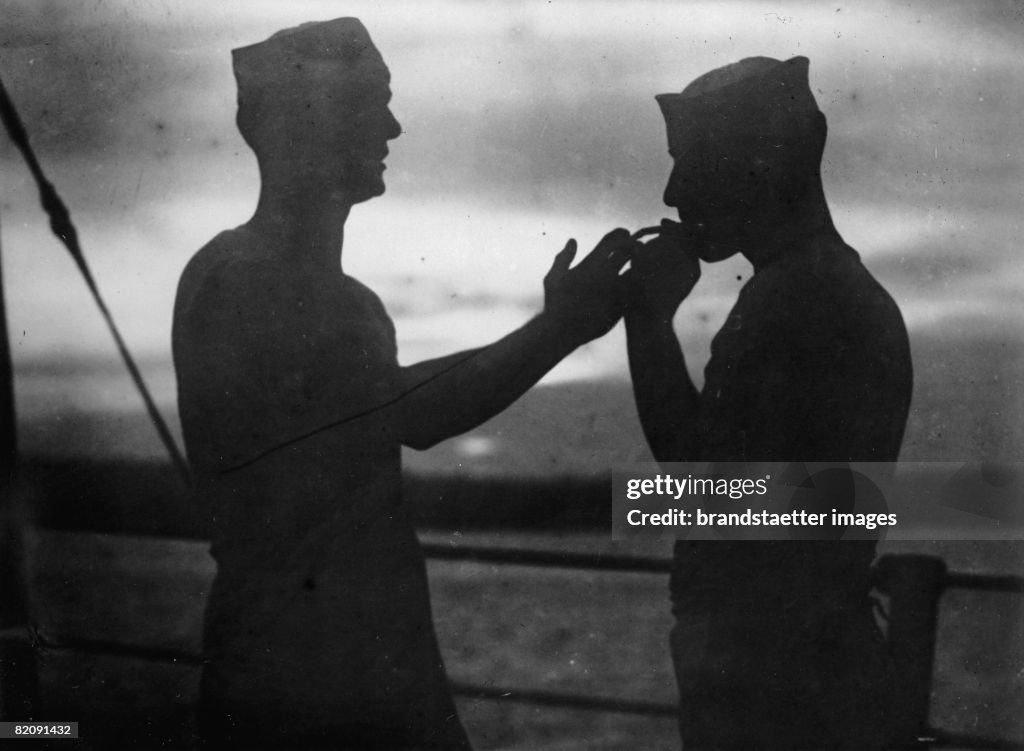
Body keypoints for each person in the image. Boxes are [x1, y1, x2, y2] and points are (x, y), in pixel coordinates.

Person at [172, 18, 633, 750]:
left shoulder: (317, 293)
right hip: (312, 672)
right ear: (307, 120)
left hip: (346, 658)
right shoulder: (246, 280)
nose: (392, 125)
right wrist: (562, 329)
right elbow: (407, 410)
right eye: (370, 102)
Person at [625, 57, 913, 749]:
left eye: (691, 163)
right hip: (806, 661)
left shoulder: (793, 299)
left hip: (776, 678)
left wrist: (647, 319)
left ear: (762, 162)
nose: (673, 191)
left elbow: (702, 480)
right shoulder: (820, 287)